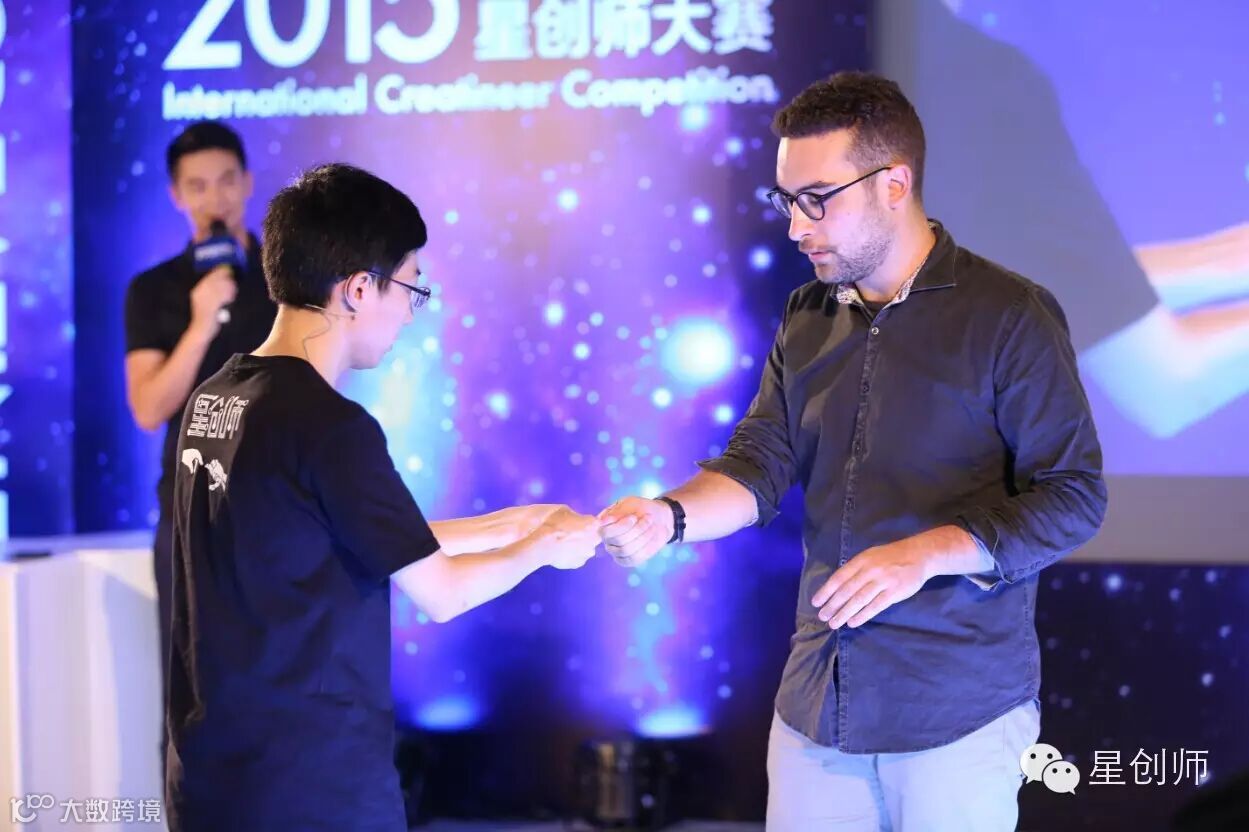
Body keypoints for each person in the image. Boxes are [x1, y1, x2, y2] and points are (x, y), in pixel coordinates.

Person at [599, 72, 1107, 831]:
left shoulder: (1008, 315)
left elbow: (1073, 496)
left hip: (955, 711)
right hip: (816, 702)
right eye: (786, 200)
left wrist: (925, 553)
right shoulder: (806, 315)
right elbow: (759, 462)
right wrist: (667, 517)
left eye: (817, 199)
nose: (796, 226)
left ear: (894, 184)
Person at [164, 162, 602, 831]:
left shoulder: (218, 395)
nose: (407, 314)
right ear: (359, 288)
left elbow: (330, 534)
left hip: (214, 778)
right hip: (311, 786)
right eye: (410, 289)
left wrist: (512, 523)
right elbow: (445, 593)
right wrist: (545, 548)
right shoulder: (329, 425)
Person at [123, 121, 276, 696]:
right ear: (177, 195)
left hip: (282, 507)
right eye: (198, 186)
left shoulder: (288, 282)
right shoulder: (153, 290)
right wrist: (201, 322)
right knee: (194, 699)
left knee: (283, 693)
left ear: (248, 183)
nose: (216, 198)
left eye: (227, 181)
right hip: (192, 514)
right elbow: (147, 408)